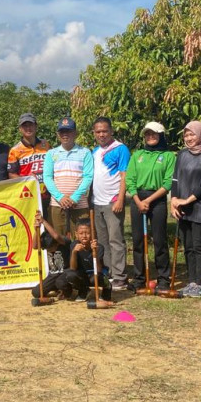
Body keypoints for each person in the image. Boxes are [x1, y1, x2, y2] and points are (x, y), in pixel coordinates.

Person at [170, 121, 201, 298]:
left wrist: (188, 199)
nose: (189, 138)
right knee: (188, 246)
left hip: (200, 207)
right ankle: (191, 282)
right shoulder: (182, 154)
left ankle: (200, 283)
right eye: (186, 135)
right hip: (182, 208)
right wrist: (174, 200)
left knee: (199, 246)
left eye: (192, 134)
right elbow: (175, 179)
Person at [125, 122, 176, 292]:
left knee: (160, 240)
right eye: (147, 134)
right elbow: (130, 179)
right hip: (138, 198)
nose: (150, 137)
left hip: (158, 199)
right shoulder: (137, 155)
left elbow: (168, 182)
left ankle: (163, 279)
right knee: (138, 240)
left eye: (153, 134)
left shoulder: (168, 156)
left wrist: (150, 200)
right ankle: (139, 278)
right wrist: (139, 200)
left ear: (161, 135)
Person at [90, 116, 131, 291]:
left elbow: (124, 176)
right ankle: (108, 274)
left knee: (116, 240)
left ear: (111, 131)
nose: (101, 134)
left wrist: (121, 198)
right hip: (96, 202)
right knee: (102, 241)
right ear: (94, 133)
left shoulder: (120, 149)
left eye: (105, 131)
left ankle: (120, 276)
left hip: (112, 202)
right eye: (98, 132)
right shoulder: (94, 151)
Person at [43, 116, 93, 234]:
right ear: (58, 134)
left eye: (69, 131)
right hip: (57, 203)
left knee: (81, 239)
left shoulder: (85, 152)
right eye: (62, 131)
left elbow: (88, 177)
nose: (65, 134)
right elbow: (48, 177)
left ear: (75, 133)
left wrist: (74, 197)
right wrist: (60, 197)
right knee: (58, 240)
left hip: (79, 204)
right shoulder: (51, 153)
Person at [56, 219, 112, 302]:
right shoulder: (74, 245)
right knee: (65, 278)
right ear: (76, 234)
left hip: (95, 274)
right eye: (81, 233)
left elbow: (99, 271)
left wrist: (95, 255)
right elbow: (73, 268)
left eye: (88, 233)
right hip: (82, 275)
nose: (84, 236)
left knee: (95, 278)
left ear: (93, 234)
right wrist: (74, 252)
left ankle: (107, 287)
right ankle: (83, 290)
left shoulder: (99, 247)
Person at [8, 112, 52, 213]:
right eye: (25, 126)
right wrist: (27, 179)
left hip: (48, 194)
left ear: (36, 126)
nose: (28, 128)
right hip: (29, 195)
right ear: (20, 129)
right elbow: (11, 174)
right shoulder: (15, 150)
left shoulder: (46, 144)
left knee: (49, 225)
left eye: (30, 125)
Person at [31, 211, 71, 299]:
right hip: (53, 275)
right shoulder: (46, 246)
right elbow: (34, 246)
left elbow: (56, 236)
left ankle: (67, 292)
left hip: (65, 273)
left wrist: (43, 221)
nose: (49, 249)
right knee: (36, 292)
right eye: (47, 248)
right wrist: (36, 231)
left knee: (60, 282)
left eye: (51, 247)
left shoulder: (63, 242)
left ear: (55, 244)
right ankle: (57, 289)